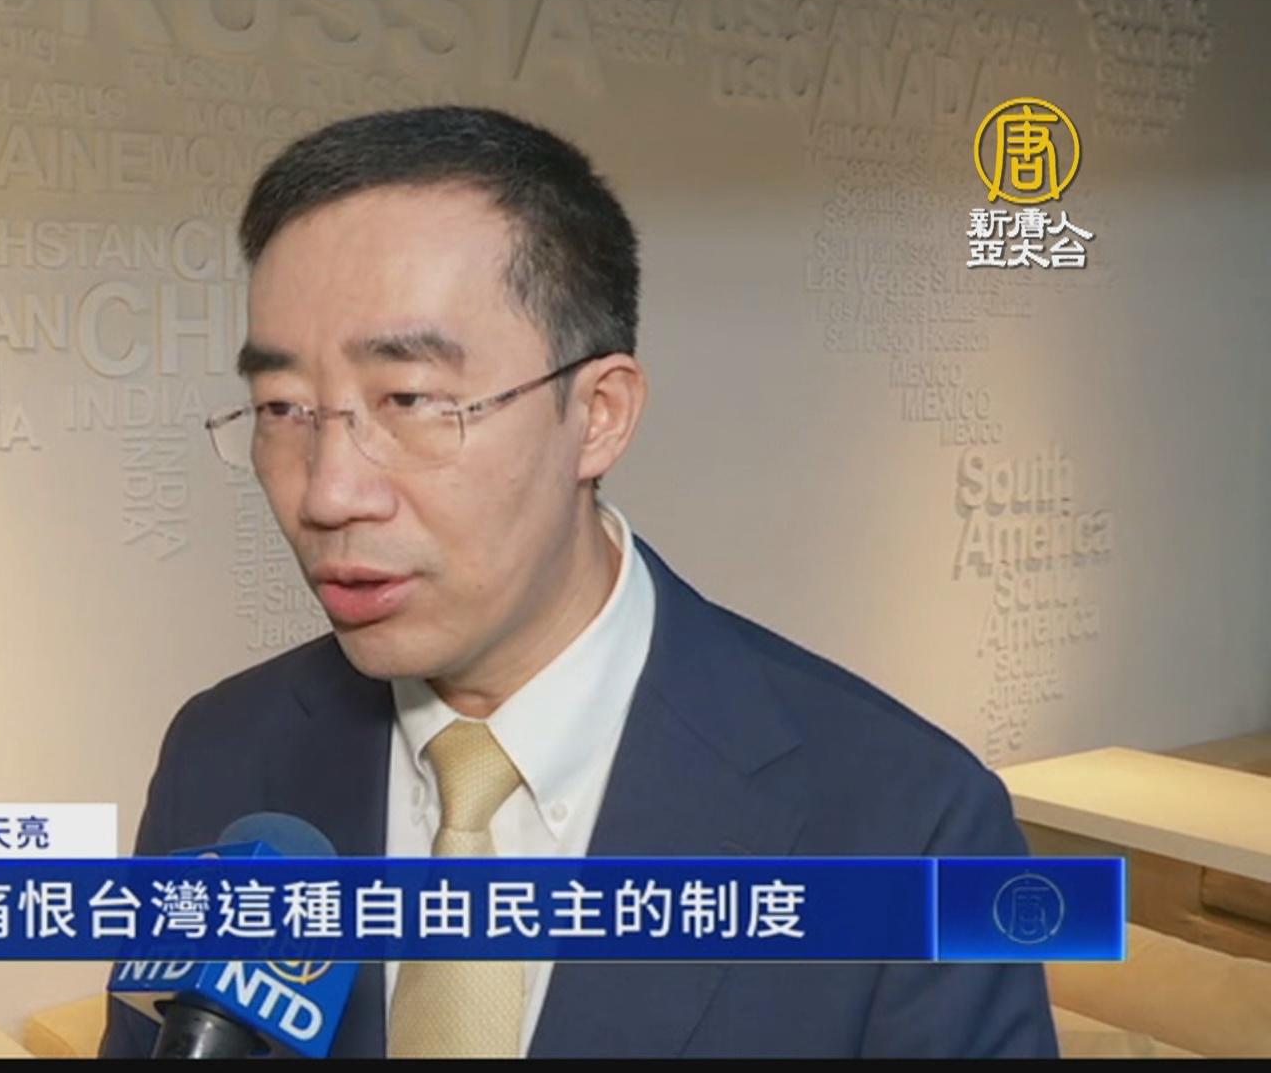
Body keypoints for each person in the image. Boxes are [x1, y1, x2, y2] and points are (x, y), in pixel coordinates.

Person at [100, 105, 1058, 1058]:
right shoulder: (221, 757)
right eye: (282, 408)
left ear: (598, 415)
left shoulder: (915, 829)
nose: (328, 492)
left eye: (410, 400)